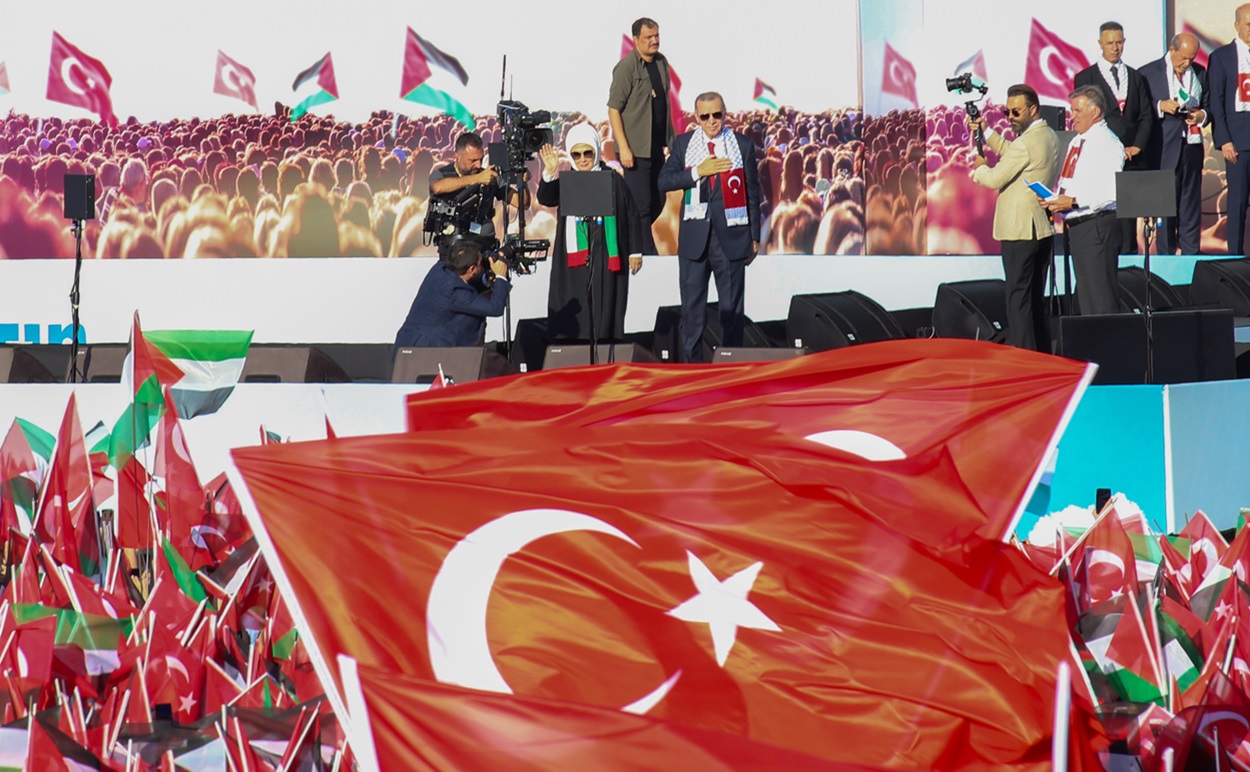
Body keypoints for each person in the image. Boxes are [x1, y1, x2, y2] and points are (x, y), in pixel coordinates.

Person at [658, 91, 762, 363]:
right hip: (694, 239)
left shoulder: (742, 145)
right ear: (697, 118)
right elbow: (664, 181)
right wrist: (697, 172)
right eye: (705, 116)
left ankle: (731, 370)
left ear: (725, 113)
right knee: (693, 313)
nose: (712, 121)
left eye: (717, 114)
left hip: (732, 237)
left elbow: (752, 193)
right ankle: (693, 371)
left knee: (731, 312)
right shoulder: (683, 145)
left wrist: (754, 237)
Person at [969, 84, 1060, 352]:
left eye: (1016, 112)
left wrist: (980, 169)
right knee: (1033, 300)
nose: (1010, 117)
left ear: (1033, 109)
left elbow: (997, 176)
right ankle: (1040, 354)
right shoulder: (1048, 136)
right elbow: (1015, 153)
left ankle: (1023, 357)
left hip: (1019, 231)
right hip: (1039, 229)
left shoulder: (1027, 143)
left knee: (1018, 300)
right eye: (1007, 112)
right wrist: (986, 132)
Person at [537, 123, 643, 343]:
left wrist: (635, 252)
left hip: (605, 257)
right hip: (573, 262)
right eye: (576, 154)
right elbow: (546, 198)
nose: (583, 159)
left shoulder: (613, 179)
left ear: (596, 151)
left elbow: (632, 215)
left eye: (588, 153)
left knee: (604, 306)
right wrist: (550, 171)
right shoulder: (566, 180)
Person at [1043, 86, 1125, 316]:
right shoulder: (1079, 140)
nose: (1072, 116)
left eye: (1078, 110)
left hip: (1096, 225)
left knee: (1100, 298)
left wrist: (1074, 202)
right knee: (1087, 297)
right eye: (1072, 110)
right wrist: (1056, 199)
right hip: (1079, 227)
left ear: (1096, 112)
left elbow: (1111, 191)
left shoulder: (1107, 143)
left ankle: (1108, 348)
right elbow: (1072, 179)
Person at [1073, 21, 1152, 254]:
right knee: (1104, 218)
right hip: (1102, 161)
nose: (1115, 48)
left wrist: (1136, 146)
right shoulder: (1085, 77)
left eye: (1119, 42)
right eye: (1110, 43)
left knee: (1128, 225)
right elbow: (1085, 121)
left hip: (1131, 160)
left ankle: (1129, 270)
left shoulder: (1136, 78)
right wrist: (1113, 149)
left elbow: (1146, 116)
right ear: (1100, 44)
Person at [608, 17, 676, 255]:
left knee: (658, 199)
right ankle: (645, 253)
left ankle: (632, 239)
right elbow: (614, 109)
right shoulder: (626, 68)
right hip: (635, 148)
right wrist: (624, 148)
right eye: (649, 37)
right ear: (636, 40)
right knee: (642, 205)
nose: (654, 41)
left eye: (656, 36)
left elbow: (664, 103)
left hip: (656, 146)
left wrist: (670, 141)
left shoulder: (661, 63)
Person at [1141, 33, 1209, 256]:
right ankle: (1166, 260)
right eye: (1183, 58)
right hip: (1163, 149)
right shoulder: (1148, 73)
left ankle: (1191, 260)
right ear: (1172, 50)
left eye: (1191, 58)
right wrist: (1160, 105)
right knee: (1165, 210)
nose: (1187, 63)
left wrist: (1202, 116)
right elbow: (1141, 110)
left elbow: (1208, 105)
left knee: (1190, 208)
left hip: (1191, 147)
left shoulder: (1199, 73)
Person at [393, 239, 510, 349]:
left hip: (411, 343)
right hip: (422, 354)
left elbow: (465, 286)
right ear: (472, 269)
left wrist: (486, 279)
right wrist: (501, 276)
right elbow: (495, 308)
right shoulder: (453, 291)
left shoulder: (440, 268)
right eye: (481, 262)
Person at [427, 132, 515, 259]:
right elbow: (437, 187)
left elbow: (522, 203)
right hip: (453, 251)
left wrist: (522, 182)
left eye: (481, 159)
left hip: (483, 248)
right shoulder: (442, 174)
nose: (478, 165)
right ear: (457, 156)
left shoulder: (489, 176)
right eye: (472, 160)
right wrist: (477, 179)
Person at [1209, 4, 1250, 256]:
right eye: (1248, 24)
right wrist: (1224, 140)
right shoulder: (1222, 57)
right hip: (1237, 142)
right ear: (1237, 25)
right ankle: (1235, 257)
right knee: (1236, 204)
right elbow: (1216, 100)